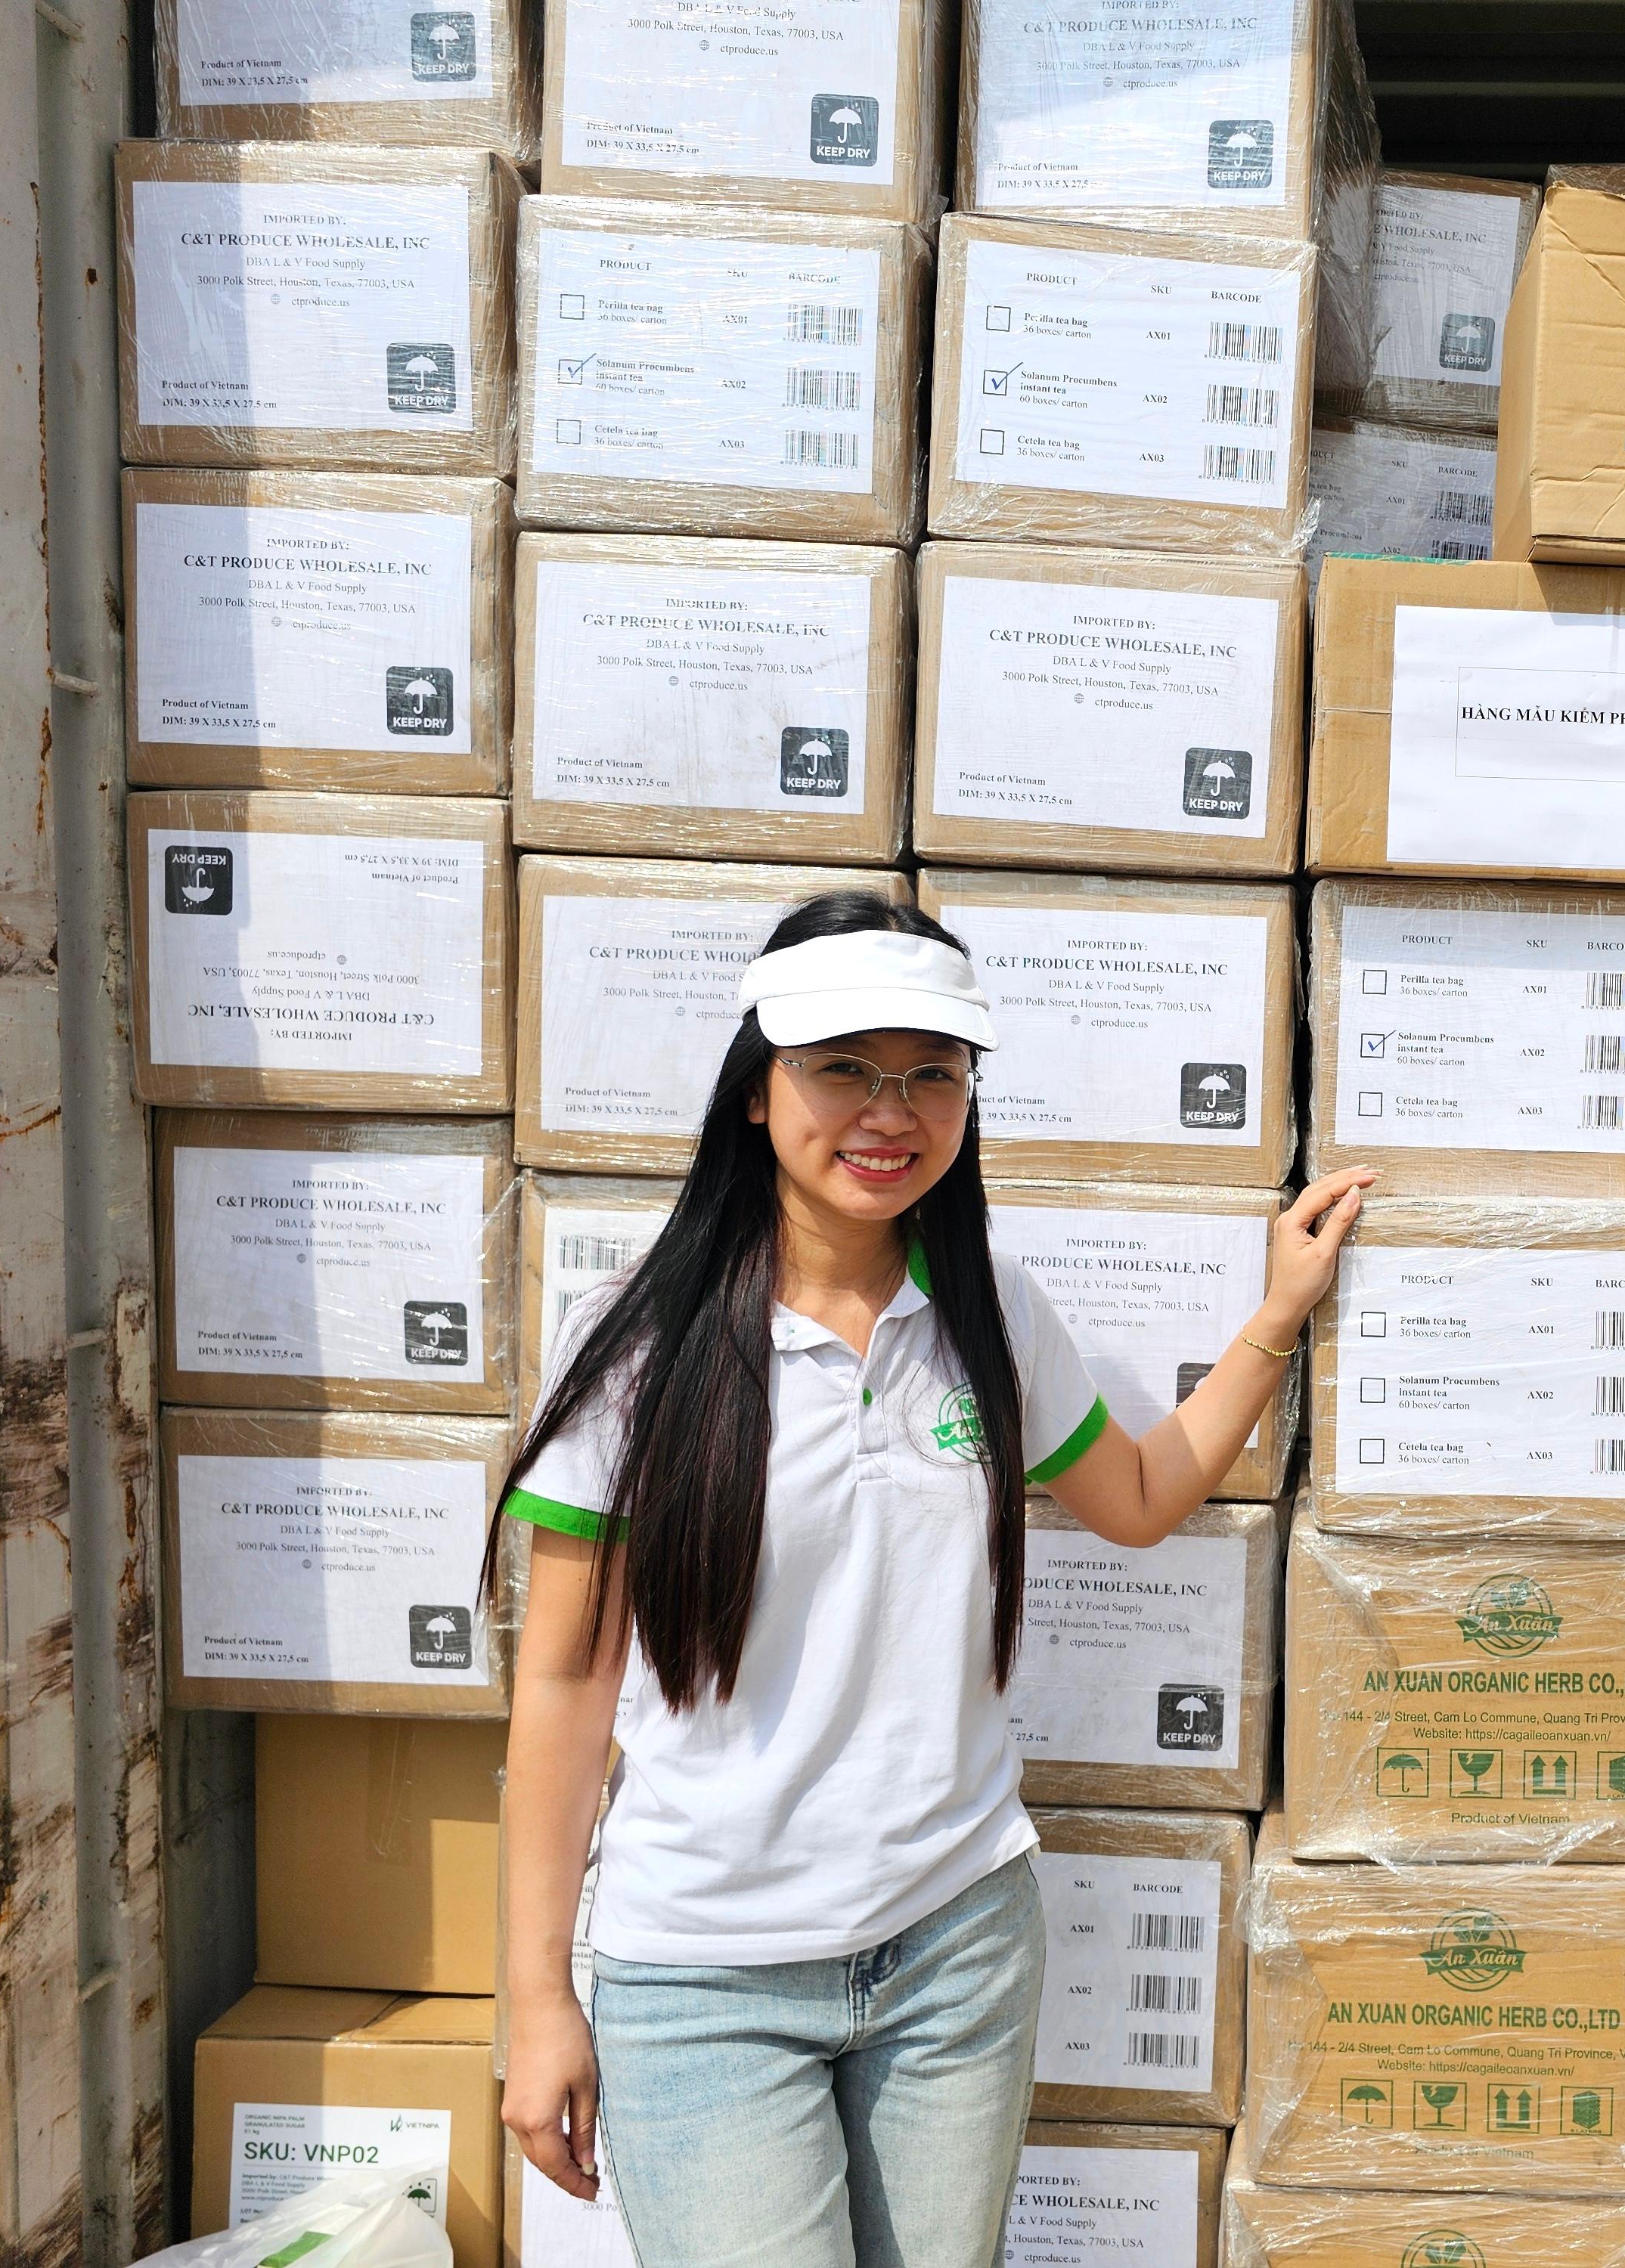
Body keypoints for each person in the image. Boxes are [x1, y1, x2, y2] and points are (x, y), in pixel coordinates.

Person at [493, 888, 1370, 2268]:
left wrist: (1277, 1313)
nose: (889, 1112)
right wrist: (536, 1999)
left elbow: (1140, 1498)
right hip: (705, 1975)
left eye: (933, 1074)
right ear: (757, 1090)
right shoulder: (637, 1346)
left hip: (956, 1948)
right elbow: (561, 1683)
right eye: (843, 1067)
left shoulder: (988, 1313)